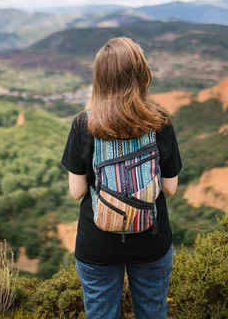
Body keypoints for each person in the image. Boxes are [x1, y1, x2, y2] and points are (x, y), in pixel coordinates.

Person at [60, 37, 182, 319]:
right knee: (153, 311)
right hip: (151, 239)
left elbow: (77, 191)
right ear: (141, 74)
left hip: (98, 243)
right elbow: (170, 187)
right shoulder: (160, 122)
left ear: (100, 78)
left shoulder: (83, 124)